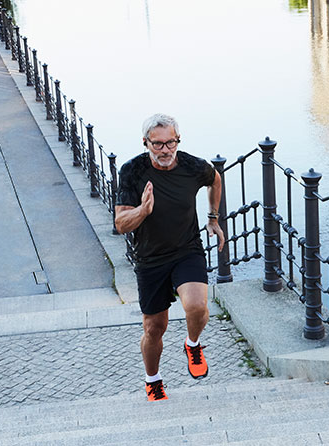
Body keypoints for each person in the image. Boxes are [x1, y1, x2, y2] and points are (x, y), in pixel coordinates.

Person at [115, 113, 225, 401]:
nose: (165, 150)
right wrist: (142, 211)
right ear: (145, 143)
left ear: (178, 140)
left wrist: (213, 218)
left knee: (197, 307)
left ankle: (193, 344)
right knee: (154, 328)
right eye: (158, 144)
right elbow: (121, 224)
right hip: (150, 258)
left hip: (187, 249)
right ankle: (153, 380)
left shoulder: (192, 166)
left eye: (171, 143)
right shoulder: (132, 171)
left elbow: (215, 179)